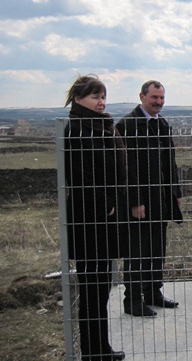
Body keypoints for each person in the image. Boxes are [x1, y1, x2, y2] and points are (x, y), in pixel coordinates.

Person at [64, 74, 126, 360]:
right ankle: (92, 352)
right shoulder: (77, 130)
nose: (101, 103)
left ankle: (101, 349)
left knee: (101, 289)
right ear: (78, 99)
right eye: (95, 97)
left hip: (104, 219)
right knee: (92, 290)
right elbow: (81, 177)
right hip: (90, 221)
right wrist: (105, 206)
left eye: (103, 97)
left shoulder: (99, 126)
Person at [117, 80, 183, 317]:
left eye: (162, 98)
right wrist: (135, 200)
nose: (158, 102)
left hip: (160, 199)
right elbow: (126, 167)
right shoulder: (127, 125)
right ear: (142, 97)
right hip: (139, 202)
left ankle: (153, 292)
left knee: (157, 249)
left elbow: (170, 163)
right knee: (137, 252)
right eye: (154, 97)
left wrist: (175, 193)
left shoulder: (161, 124)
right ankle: (133, 300)